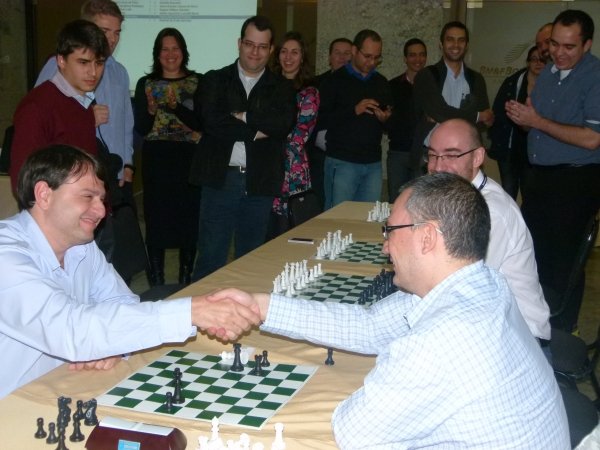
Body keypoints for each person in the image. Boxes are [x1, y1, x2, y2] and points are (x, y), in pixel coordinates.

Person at [211, 172, 569, 448]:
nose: (384, 246)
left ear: (427, 237)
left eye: (390, 230)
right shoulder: (482, 282)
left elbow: (355, 432)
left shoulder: (443, 338)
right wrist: (263, 307)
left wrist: (393, 370)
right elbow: (368, 326)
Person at [0, 145, 260, 400]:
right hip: (12, 405)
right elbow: (71, 329)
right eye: (87, 196)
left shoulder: (81, 245)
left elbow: (120, 302)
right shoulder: (6, 255)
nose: (101, 211)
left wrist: (114, 344)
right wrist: (191, 312)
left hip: (63, 389)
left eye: (101, 199)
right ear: (44, 194)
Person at [506, 9, 600, 332]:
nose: (559, 53)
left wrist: (537, 121)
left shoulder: (595, 77)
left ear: (587, 45)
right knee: (531, 256)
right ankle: (535, 326)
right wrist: (525, 117)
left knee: (564, 263)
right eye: (554, 44)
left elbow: (592, 138)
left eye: (569, 47)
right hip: (540, 178)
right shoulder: (548, 72)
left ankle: (563, 331)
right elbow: (538, 123)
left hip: (575, 180)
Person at [189, 16, 296, 281]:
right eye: (249, 44)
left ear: (271, 49)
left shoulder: (282, 87)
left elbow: (282, 124)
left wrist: (243, 117)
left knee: (251, 260)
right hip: (220, 179)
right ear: (239, 43)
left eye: (262, 46)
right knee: (211, 257)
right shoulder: (215, 80)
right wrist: (257, 131)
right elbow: (211, 122)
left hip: (260, 181)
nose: (255, 52)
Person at [427, 118, 551, 345]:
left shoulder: (492, 212)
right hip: (483, 319)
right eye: (433, 155)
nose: (438, 166)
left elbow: (457, 289)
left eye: (451, 155)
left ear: (477, 157)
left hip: (521, 337)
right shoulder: (456, 196)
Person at [35, 0, 135, 201]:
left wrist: (127, 163)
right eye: (105, 31)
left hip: (113, 174)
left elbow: (126, 123)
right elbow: (41, 118)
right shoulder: (59, 66)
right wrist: (85, 118)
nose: (112, 39)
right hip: (75, 175)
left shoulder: (119, 72)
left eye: (117, 33)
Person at [134, 28, 202, 286]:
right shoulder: (146, 83)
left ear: (183, 51)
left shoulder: (198, 82)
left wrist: (175, 107)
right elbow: (142, 128)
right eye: (165, 49)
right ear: (157, 53)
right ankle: (157, 282)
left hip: (189, 158)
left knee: (188, 219)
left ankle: (185, 278)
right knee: (156, 220)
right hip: (157, 159)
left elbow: (200, 123)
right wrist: (151, 110)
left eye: (175, 48)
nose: (170, 54)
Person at [9, 19, 108, 192]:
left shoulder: (82, 103)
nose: (93, 72)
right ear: (61, 60)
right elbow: (23, 179)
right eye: (83, 62)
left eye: (99, 63)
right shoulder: (37, 106)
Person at [318, 29, 393, 209]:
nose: (371, 62)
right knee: (337, 217)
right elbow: (321, 120)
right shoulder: (334, 81)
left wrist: (385, 119)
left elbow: (390, 124)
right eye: (367, 56)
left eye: (376, 58)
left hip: (373, 164)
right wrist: (354, 110)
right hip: (342, 162)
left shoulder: (381, 82)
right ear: (354, 50)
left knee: (366, 218)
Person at [412, 21, 493, 175]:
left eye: (461, 40)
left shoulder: (476, 79)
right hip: (430, 157)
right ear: (441, 44)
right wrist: (477, 116)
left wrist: (483, 118)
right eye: (450, 39)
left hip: (464, 159)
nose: (455, 45)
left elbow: (485, 120)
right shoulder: (427, 76)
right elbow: (441, 111)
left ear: (466, 45)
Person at [268, 31, 319, 238]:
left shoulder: (309, 93)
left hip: (291, 167)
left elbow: (299, 136)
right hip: (265, 165)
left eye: (294, 52)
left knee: (289, 231)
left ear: (302, 57)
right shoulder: (266, 85)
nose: (288, 57)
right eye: (284, 51)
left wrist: (265, 133)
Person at [488, 46, 545, 200]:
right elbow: (498, 111)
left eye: (542, 60)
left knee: (530, 193)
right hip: (509, 148)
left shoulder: (552, 86)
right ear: (528, 62)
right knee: (508, 191)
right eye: (534, 59)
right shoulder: (513, 82)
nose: (538, 63)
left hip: (534, 150)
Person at [308, 37, 352, 211]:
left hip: (348, 157)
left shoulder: (359, 86)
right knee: (320, 202)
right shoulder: (315, 84)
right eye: (337, 53)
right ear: (329, 57)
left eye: (346, 53)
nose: (342, 57)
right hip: (318, 156)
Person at [385, 38, 427, 201]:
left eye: (422, 55)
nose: (418, 59)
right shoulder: (392, 86)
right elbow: (386, 121)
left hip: (424, 153)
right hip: (398, 153)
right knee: (396, 201)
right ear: (405, 58)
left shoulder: (433, 86)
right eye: (412, 55)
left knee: (421, 202)